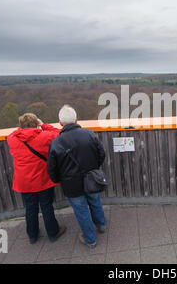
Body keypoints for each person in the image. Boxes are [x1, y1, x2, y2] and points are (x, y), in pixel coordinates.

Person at [47, 105, 107, 248]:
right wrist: (94, 168)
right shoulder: (90, 134)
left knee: (81, 211)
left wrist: (58, 180)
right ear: (76, 119)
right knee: (95, 201)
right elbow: (101, 154)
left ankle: (90, 240)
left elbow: (52, 168)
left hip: (71, 185)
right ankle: (101, 225)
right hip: (91, 178)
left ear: (60, 123)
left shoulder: (56, 143)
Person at [7, 113, 66, 244]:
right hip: (42, 179)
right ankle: (53, 233)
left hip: (24, 182)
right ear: (36, 124)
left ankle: (32, 235)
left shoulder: (12, 138)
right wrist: (42, 124)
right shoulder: (44, 136)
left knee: (30, 207)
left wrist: (22, 128)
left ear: (21, 125)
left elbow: (16, 132)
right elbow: (59, 133)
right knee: (46, 206)